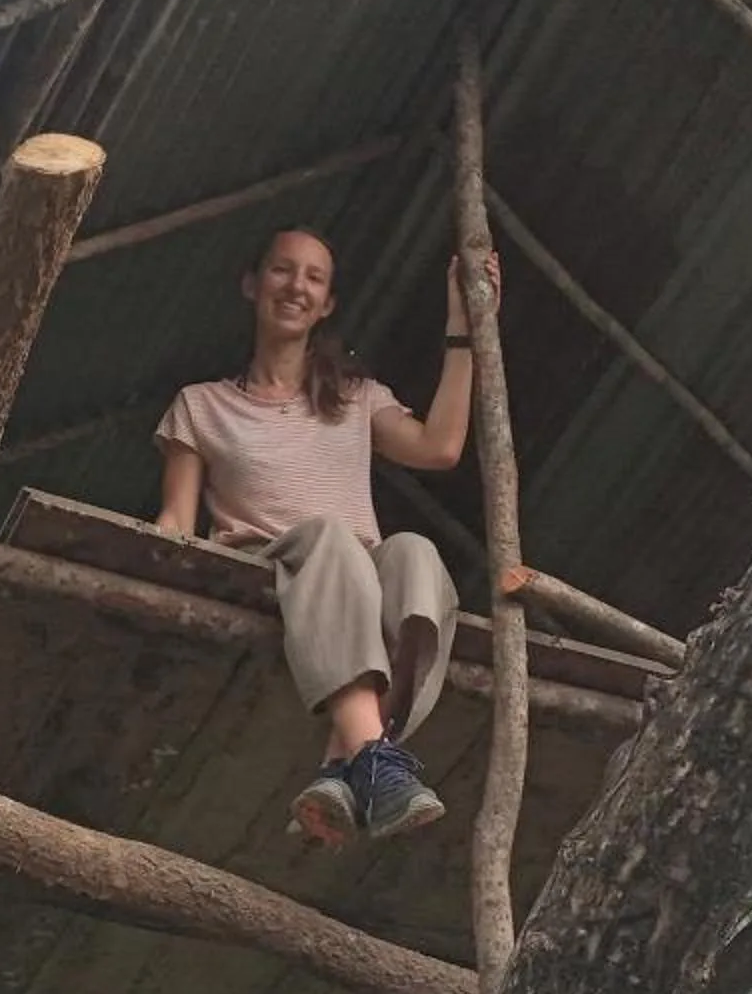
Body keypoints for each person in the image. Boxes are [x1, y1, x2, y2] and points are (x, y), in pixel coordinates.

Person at [154, 226, 498, 846]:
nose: (297, 287)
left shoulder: (356, 398)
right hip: (269, 566)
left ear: (327, 304)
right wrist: (154, 561)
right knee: (332, 541)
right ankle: (373, 763)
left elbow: (441, 448)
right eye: (282, 270)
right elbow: (176, 518)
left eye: (314, 278)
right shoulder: (200, 404)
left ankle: (347, 767)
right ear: (252, 284)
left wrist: (464, 328)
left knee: (415, 554)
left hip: (355, 579)